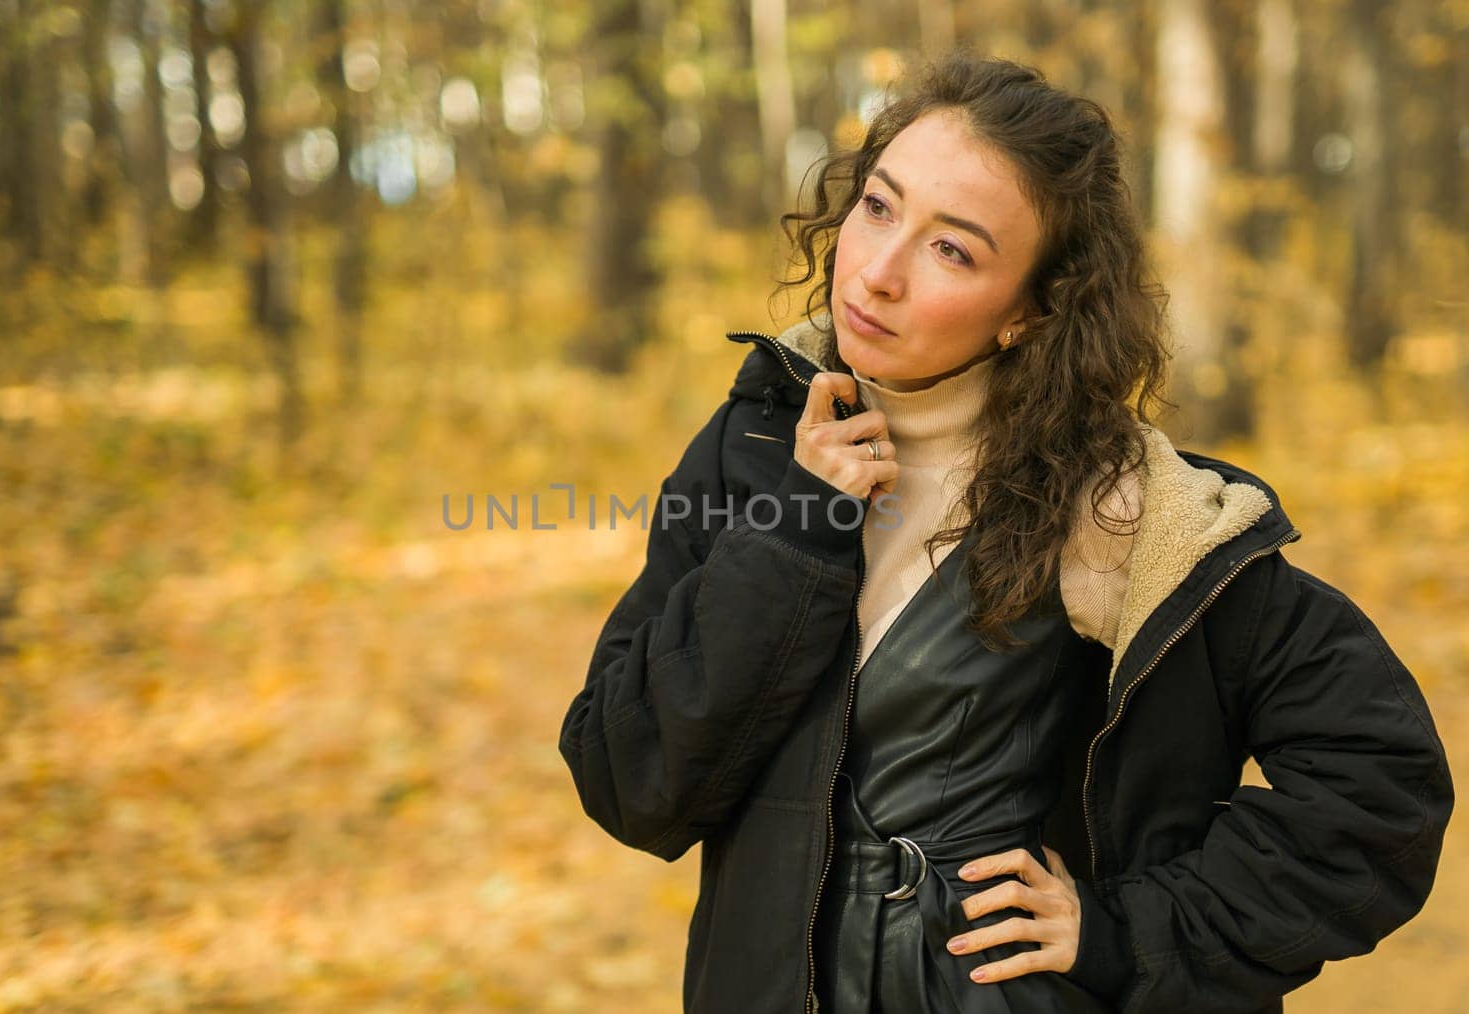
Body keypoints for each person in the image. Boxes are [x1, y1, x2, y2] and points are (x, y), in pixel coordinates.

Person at [557, 52, 1453, 1013]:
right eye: (879, 207)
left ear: (1029, 312)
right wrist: (799, 531)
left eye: (954, 250)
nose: (880, 272)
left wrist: (1131, 934)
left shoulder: (1125, 513)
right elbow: (631, 781)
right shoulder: (759, 440)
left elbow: (1379, 792)